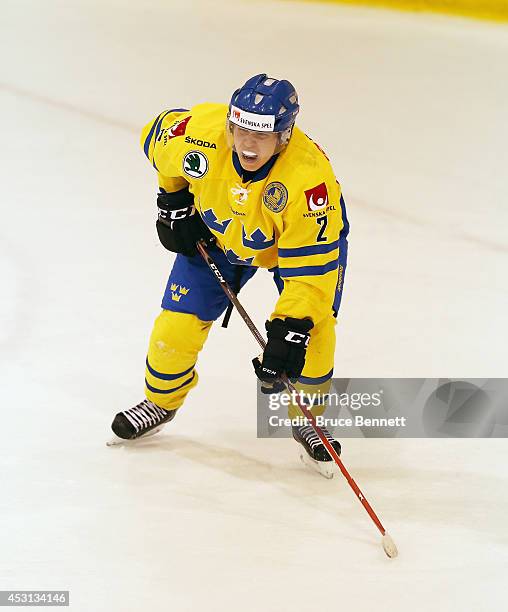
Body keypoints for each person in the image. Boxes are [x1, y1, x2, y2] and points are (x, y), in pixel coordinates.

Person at [110, 74, 349, 476]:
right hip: (219, 236)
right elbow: (155, 136)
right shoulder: (199, 133)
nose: (246, 143)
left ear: (284, 136)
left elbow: (310, 275)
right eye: (239, 129)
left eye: (261, 135)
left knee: (314, 332)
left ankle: (309, 420)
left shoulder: (309, 183)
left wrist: (290, 329)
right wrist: (173, 198)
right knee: (175, 328)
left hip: (288, 247)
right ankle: (161, 400)